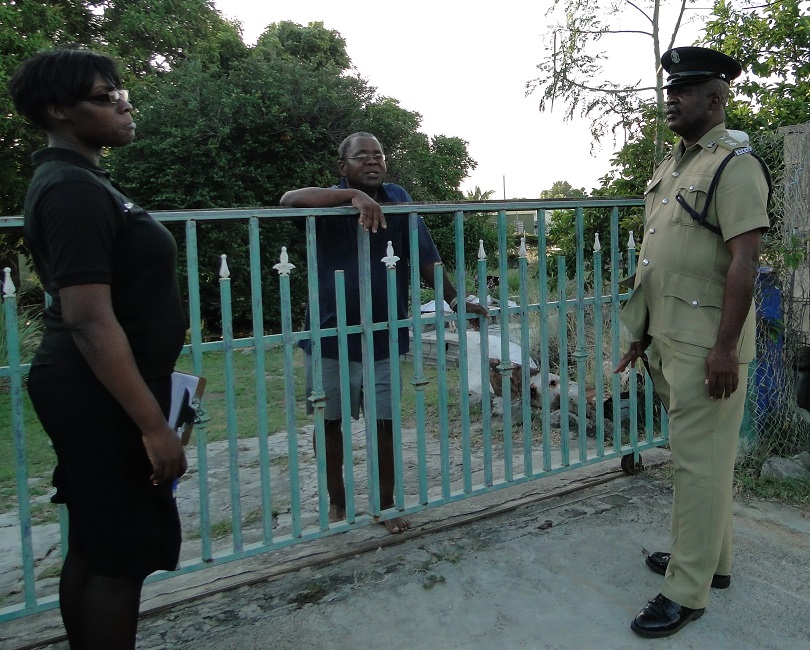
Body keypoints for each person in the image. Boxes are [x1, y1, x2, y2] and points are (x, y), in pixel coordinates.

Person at [9, 48, 188, 649]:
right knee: (121, 555)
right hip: (98, 393)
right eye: (104, 97)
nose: (124, 105)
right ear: (58, 110)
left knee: (96, 542)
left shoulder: (84, 181)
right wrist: (153, 427)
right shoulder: (70, 189)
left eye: (121, 93)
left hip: (100, 386)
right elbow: (88, 319)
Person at [615, 47, 770, 638]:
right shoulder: (676, 164)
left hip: (708, 348)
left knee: (697, 467)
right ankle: (712, 563)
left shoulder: (735, 166)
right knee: (705, 463)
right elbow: (661, 260)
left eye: (684, 90)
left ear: (716, 97)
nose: (671, 99)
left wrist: (725, 349)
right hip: (669, 338)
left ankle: (686, 590)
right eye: (670, 90)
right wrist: (640, 334)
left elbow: (744, 262)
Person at [280, 132, 488, 534]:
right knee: (329, 423)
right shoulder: (326, 200)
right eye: (362, 156)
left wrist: (454, 299)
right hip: (329, 335)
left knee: (385, 424)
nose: (373, 161)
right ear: (343, 166)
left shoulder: (399, 199)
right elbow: (289, 200)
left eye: (378, 155)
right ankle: (338, 503)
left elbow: (427, 258)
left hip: (383, 335)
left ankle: (387, 505)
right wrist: (352, 197)